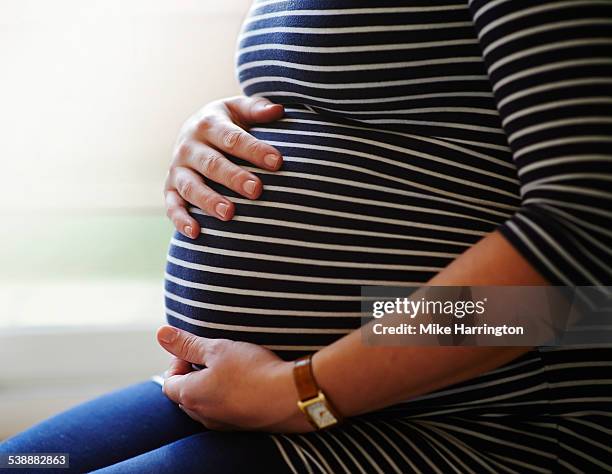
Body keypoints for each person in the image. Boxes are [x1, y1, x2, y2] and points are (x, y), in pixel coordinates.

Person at [2, 1, 611, 472]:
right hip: (265, 396)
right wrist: (214, 136)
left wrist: (305, 392)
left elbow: (586, 247)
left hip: (482, 422)